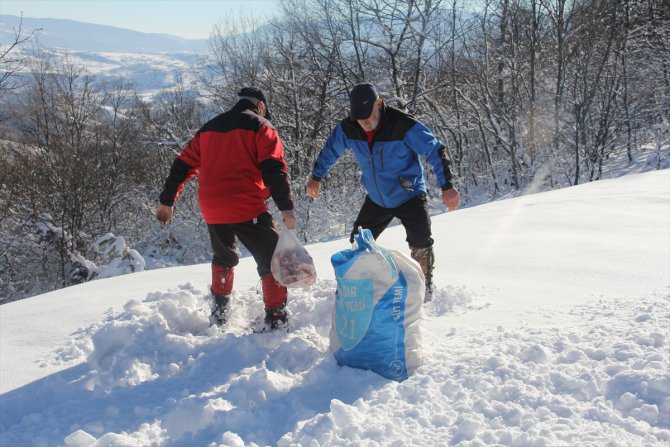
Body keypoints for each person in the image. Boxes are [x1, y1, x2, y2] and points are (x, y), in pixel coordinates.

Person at [157, 87, 297, 331]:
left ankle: (220, 312)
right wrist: (286, 208)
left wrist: (167, 201)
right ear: (260, 106)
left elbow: (182, 165)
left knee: (223, 257)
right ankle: (276, 316)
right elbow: (273, 168)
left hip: (212, 206)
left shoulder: (209, 128)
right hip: (245, 204)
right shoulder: (261, 126)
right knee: (273, 256)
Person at [306, 83, 460, 300]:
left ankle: (424, 286)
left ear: (379, 104)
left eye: (368, 117)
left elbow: (435, 149)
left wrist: (447, 186)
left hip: (410, 194)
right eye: (359, 119)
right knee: (359, 241)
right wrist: (316, 177)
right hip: (378, 198)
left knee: (421, 240)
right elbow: (330, 150)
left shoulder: (403, 125)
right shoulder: (349, 128)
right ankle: (360, 284)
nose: (365, 124)